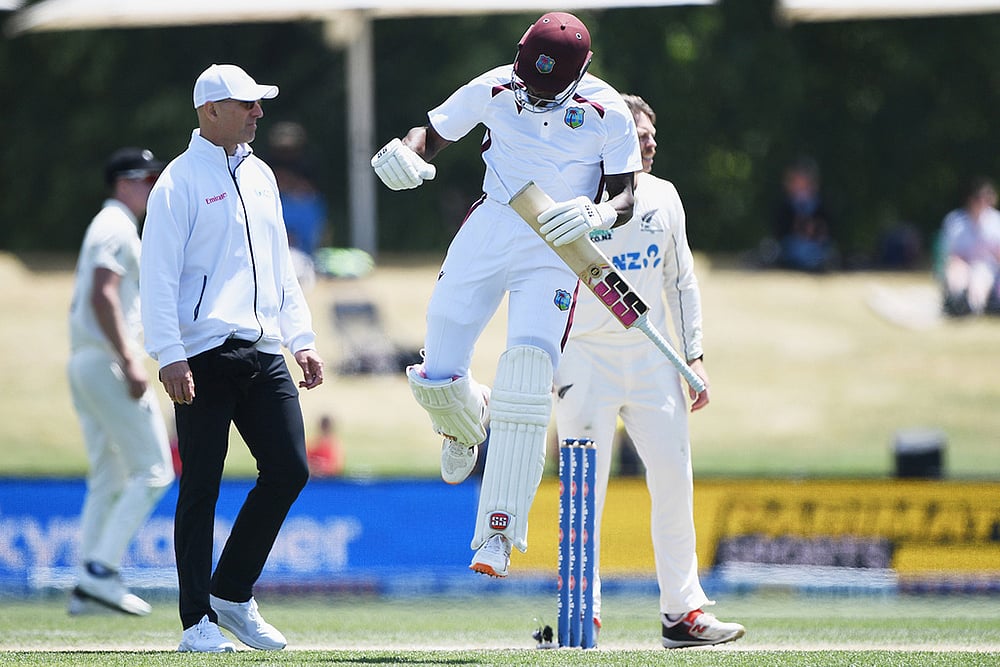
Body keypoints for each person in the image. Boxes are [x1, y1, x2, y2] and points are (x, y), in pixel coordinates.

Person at [371, 12, 641, 578]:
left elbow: (625, 198)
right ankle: (461, 424)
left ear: (580, 72)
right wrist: (408, 153)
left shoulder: (608, 110)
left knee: (527, 374)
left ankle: (497, 534)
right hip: (492, 222)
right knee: (439, 358)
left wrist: (595, 214)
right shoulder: (495, 85)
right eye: (529, 83)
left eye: (548, 90)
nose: (533, 96)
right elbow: (433, 133)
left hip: (556, 243)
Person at [140, 64, 325, 653]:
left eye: (258, 104)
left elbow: (280, 267)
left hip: (263, 347)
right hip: (202, 353)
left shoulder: (262, 173)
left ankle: (231, 593)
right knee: (202, 486)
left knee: (290, 469)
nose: (258, 113)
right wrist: (169, 354)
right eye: (247, 104)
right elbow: (157, 277)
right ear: (211, 110)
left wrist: (301, 338)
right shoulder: (177, 182)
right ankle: (196, 619)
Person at [552, 94, 745, 648]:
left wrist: (694, 355)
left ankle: (682, 614)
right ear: (611, 139)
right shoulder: (575, 195)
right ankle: (580, 617)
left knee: (673, 480)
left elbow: (680, 281)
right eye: (640, 134)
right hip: (584, 358)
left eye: (653, 134)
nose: (651, 142)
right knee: (584, 492)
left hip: (651, 360)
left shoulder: (664, 197)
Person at [66, 147, 176, 617]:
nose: (152, 188)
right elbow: (102, 294)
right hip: (108, 361)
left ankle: (86, 585)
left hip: (86, 361)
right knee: (155, 472)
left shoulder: (108, 225)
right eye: (146, 180)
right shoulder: (115, 226)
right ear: (124, 183)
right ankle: (101, 571)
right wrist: (130, 359)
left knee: (109, 476)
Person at [937, 176, 1000, 316]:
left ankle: (972, 304)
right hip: (962, 263)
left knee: (980, 275)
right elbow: (952, 254)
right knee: (957, 272)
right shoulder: (955, 220)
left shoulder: (996, 221)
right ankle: (956, 298)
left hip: (987, 266)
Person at [769, 155, 838, 272]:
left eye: (803, 183)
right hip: (791, 249)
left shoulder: (822, 206)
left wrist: (815, 232)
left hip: (817, 249)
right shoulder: (784, 207)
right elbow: (780, 233)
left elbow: (827, 231)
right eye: (796, 182)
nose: (799, 187)